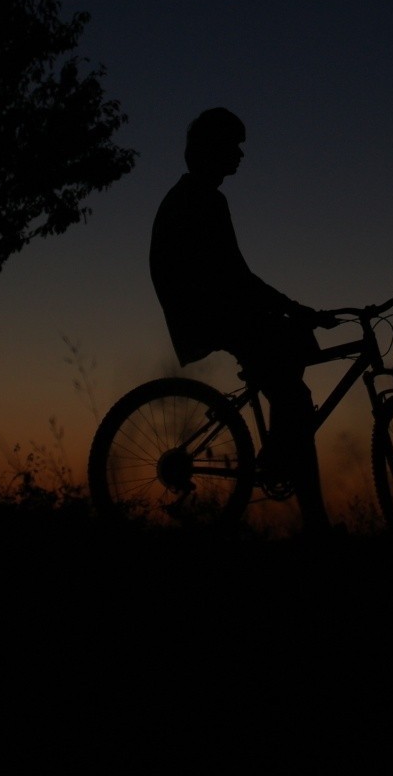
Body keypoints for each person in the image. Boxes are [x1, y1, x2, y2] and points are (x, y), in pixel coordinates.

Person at [149, 107, 332, 533]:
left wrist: (287, 308)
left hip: (209, 309)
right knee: (295, 398)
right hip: (214, 311)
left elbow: (231, 274)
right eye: (234, 146)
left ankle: (282, 453)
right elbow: (234, 274)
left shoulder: (191, 195)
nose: (240, 155)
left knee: (291, 370)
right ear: (213, 148)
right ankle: (314, 520)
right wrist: (291, 305)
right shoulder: (203, 199)